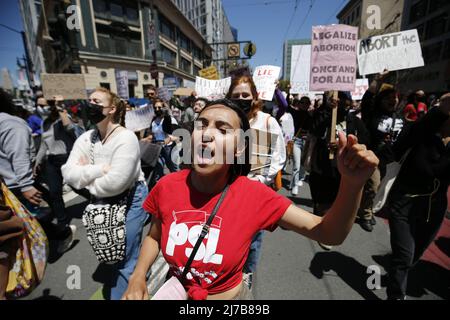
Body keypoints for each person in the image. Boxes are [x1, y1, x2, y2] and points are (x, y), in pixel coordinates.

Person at [121, 99, 379, 300]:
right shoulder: (167, 186)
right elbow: (154, 236)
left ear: (240, 148)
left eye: (222, 129)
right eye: (201, 125)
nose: (207, 134)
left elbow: (329, 233)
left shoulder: (255, 195)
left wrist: (352, 184)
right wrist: (138, 276)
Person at [61, 87, 148, 300]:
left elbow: (116, 183)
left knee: (125, 255)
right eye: (89, 99)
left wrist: (85, 176)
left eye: (96, 101)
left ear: (111, 109)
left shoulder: (126, 138)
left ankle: (126, 294)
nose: (89, 104)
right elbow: (68, 173)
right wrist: (98, 170)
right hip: (103, 202)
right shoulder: (86, 138)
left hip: (131, 199)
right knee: (110, 250)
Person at [383, 93, 450, 300]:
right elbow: (399, 147)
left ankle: (396, 274)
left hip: (434, 206)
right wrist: (439, 111)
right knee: (404, 254)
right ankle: (396, 295)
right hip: (405, 199)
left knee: (414, 254)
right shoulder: (420, 132)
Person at [226, 75, 286, 289]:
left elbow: (278, 157)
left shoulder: (267, 122)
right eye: (236, 95)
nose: (241, 98)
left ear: (254, 97)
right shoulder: (226, 120)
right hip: (226, 192)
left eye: (245, 95)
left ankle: (246, 280)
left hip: (254, 193)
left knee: (252, 242)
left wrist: (260, 180)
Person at [33, 95, 81, 253]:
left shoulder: (62, 119)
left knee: (78, 187)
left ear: (53, 105)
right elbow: (43, 146)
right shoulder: (44, 123)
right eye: (39, 105)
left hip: (66, 158)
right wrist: (37, 163)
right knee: (54, 192)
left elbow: (70, 129)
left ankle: (98, 199)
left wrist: (61, 109)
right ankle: (63, 222)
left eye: (46, 105)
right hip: (51, 161)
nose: (42, 108)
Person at [142, 98, 180, 184]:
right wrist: (145, 139)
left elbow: (178, 135)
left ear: (163, 108)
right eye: (155, 108)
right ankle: (160, 188)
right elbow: (152, 135)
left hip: (169, 148)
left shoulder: (170, 119)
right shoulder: (153, 121)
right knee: (157, 170)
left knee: (174, 168)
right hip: (157, 148)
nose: (157, 110)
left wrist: (170, 138)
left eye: (159, 107)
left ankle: (179, 184)